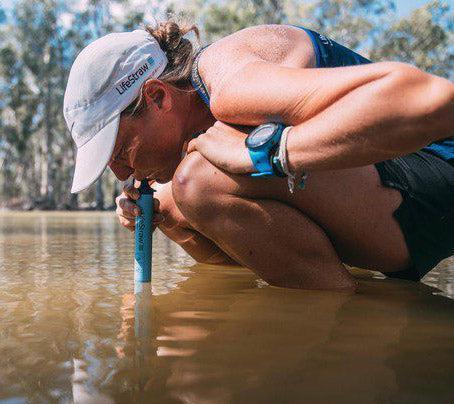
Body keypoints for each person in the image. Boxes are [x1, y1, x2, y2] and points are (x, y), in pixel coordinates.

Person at [64, 21, 454, 290]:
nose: (122, 173)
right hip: (402, 207)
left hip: (438, 172)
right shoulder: (201, 122)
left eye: (121, 150)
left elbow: (432, 100)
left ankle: (346, 331)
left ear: (157, 97)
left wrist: (270, 155)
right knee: (169, 203)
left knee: (196, 183)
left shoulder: (230, 84)